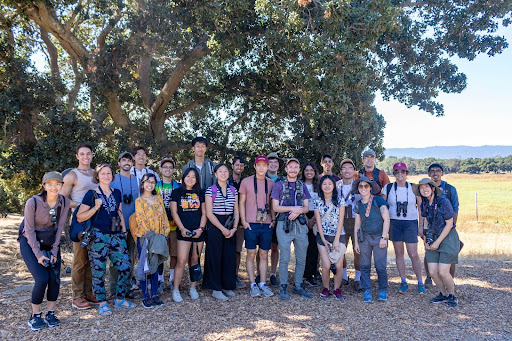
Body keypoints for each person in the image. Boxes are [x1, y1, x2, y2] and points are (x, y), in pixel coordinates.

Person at [76, 163, 136, 315]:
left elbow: (120, 213)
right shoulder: (92, 194)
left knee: (126, 267)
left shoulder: (116, 192)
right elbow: (80, 216)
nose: (106, 176)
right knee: (98, 271)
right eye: (103, 173)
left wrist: (123, 231)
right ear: (97, 176)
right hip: (98, 237)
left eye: (109, 173)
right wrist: (95, 207)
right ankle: (102, 302)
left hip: (116, 236)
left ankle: (120, 298)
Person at [20, 172, 70, 330]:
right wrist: (39, 255)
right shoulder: (33, 202)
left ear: (62, 185)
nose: (54, 187)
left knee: (54, 278)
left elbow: (60, 227)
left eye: (57, 184)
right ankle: (34, 316)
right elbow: (28, 231)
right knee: (42, 278)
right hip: (30, 242)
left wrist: (54, 251)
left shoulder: (63, 201)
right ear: (44, 186)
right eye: (50, 184)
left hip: (50, 241)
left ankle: (50, 313)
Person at [60, 143, 98, 310]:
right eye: (82, 154)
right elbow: (62, 199)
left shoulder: (96, 174)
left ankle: (88, 292)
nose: (85, 157)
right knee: (80, 260)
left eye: (88, 154)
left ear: (91, 155)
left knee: (92, 259)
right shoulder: (71, 176)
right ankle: (77, 296)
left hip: (96, 221)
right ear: (77, 156)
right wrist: (82, 205)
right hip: (80, 222)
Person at [413, 178, 460, 308]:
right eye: (421, 188)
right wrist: (426, 239)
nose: (424, 190)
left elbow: (449, 224)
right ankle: (443, 294)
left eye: (427, 187)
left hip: (447, 237)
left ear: (433, 188)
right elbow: (426, 221)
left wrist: (438, 242)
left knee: (443, 271)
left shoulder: (443, 202)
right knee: (433, 272)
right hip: (432, 237)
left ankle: (452, 295)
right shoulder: (424, 204)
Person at [271, 158, 313, 300]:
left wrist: (298, 211)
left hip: (300, 225)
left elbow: (307, 207)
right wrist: (292, 209)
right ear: (286, 169)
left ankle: (298, 285)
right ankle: (283, 285)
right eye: (291, 167)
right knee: (284, 257)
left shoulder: (302, 186)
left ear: (298, 169)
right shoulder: (279, 185)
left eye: (296, 167)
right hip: (284, 224)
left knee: (301, 257)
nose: (293, 170)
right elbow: (275, 207)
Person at [382, 163, 425, 295]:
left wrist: (421, 225)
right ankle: (403, 281)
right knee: (399, 253)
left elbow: (421, 208)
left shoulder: (414, 188)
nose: (400, 174)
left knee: (413, 254)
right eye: (397, 172)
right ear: (394, 174)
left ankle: (420, 282)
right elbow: (383, 206)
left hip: (410, 223)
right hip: (395, 223)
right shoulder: (388, 188)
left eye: (402, 171)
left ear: (407, 173)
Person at [239, 156, 275, 297]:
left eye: (264, 165)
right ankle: (253, 283)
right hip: (251, 223)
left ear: (267, 167)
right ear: (254, 166)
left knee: (264, 254)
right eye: (258, 165)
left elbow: (273, 203)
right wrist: (243, 220)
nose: (261, 167)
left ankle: (263, 283)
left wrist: (273, 219)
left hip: (266, 223)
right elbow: (241, 202)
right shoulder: (246, 182)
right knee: (251, 254)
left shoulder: (271, 183)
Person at [133, 173, 171, 308]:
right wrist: (152, 236)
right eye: (147, 181)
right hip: (145, 238)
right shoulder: (139, 201)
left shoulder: (158, 199)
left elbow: (164, 218)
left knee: (155, 266)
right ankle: (145, 295)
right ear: (142, 184)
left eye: (153, 182)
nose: (150, 184)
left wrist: (164, 234)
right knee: (145, 267)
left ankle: (154, 294)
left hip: (159, 237)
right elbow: (141, 221)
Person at [203, 164, 240, 300]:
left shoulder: (233, 190)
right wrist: (222, 229)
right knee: (215, 256)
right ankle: (216, 288)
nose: (223, 173)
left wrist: (234, 227)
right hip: (215, 224)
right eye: (220, 171)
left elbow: (236, 210)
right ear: (215, 174)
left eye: (225, 171)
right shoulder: (210, 190)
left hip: (230, 222)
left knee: (229, 256)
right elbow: (209, 213)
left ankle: (227, 285)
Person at [170, 168, 207, 302]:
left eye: (193, 177)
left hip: (198, 231)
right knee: (181, 260)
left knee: (195, 260)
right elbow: (174, 212)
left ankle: (193, 287)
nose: (190, 179)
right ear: (183, 177)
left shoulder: (200, 193)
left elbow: (204, 213)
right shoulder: (176, 192)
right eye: (188, 176)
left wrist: (200, 229)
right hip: (183, 231)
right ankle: (175, 289)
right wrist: (182, 228)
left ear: (197, 179)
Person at [353, 176, 390, 303]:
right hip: (365, 238)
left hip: (379, 237)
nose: (363, 188)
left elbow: (387, 219)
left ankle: (383, 289)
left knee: (380, 266)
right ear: (358, 188)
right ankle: (367, 290)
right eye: (360, 186)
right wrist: (356, 242)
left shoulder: (378, 201)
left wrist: (384, 237)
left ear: (370, 188)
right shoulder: (358, 205)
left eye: (366, 186)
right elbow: (357, 225)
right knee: (364, 265)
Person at [424, 163, 461, 288]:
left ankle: (450, 282)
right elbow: (424, 215)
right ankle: (429, 277)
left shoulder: (450, 189)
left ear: (442, 173)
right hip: (432, 231)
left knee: (448, 257)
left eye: (438, 171)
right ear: (429, 174)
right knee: (429, 253)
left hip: (447, 229)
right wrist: (424, 232)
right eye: (432, 171)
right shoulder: (425, 191)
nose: (435, 173)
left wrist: (450, 227)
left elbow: (455, 210)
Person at [110, 151, 139, 296]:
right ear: (119, 163)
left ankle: (126, 289)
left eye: (129, 160)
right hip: (115, 223)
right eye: (123, 160)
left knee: (130, 257)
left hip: (133, 224)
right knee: (116, 257)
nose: (126, 162)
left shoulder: (137, 180)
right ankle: (114, 290)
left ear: (132, 163)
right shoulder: (112, 179)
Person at [314, 175, 347, 300]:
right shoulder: (317, 200)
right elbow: (318, 222)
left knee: (338, 265)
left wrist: (337, 239)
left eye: (329, 184)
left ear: (334, 186)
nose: (327, 186)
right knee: (326, 264)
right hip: (323, 236)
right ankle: (326, 287)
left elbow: (341, 220)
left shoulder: (340, 200)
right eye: (324, 184)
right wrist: (322, 238)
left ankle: (337, 289)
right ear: (321, 186)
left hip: (339, 236)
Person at [336, 159, 362, 291]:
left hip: (356, 220)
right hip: (341, 221)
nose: (347, 170)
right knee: (341, 250)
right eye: (344, 168)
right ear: (340, 171)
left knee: (358, 251)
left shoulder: (359, 185)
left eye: (350, 168)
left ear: (354, 171)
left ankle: (358, 278)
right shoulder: (336, 185)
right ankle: (344, 276)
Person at [155, 157, 181, 292]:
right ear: (160, 169)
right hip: (159, 227)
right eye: (165, 167)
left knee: (174, 254)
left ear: (173, 170)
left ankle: (171, 279)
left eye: (170, 167)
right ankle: (160, 280)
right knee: (159, 254)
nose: (168, 169)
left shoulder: (177, 186)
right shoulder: (156, 186)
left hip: (174, 227)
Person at [265, 152, 284, 287]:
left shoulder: (283, 180)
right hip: (263, 217)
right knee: (262, 248)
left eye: (275, 162)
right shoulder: (260, 178)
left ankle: (273, 273)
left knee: (275, 247)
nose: (273, 164)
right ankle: (261, 273)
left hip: (279, 218)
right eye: (270, 162)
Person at [229, 156, 247, 289]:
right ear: (232, 166)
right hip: (225, 220)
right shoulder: (225, 180)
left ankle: (234, 276)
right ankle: (224, 275)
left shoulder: (245, 183)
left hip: (240, 221)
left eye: (241, 165)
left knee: (237, 250)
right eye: (237, 165)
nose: (239, 167)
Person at [302, 162, 321, 287]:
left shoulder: (318, 186)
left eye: (311, 170)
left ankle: (313, 273)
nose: (309, 172)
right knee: (304, 247)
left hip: (316, 216)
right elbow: (298, 202)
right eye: (306, 170)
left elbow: (321, 203)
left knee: (315, 248)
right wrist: (305, 218)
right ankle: (304, 274)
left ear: (315, 172)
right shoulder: (300, 185)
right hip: (302, 216)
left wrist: (313, 219)